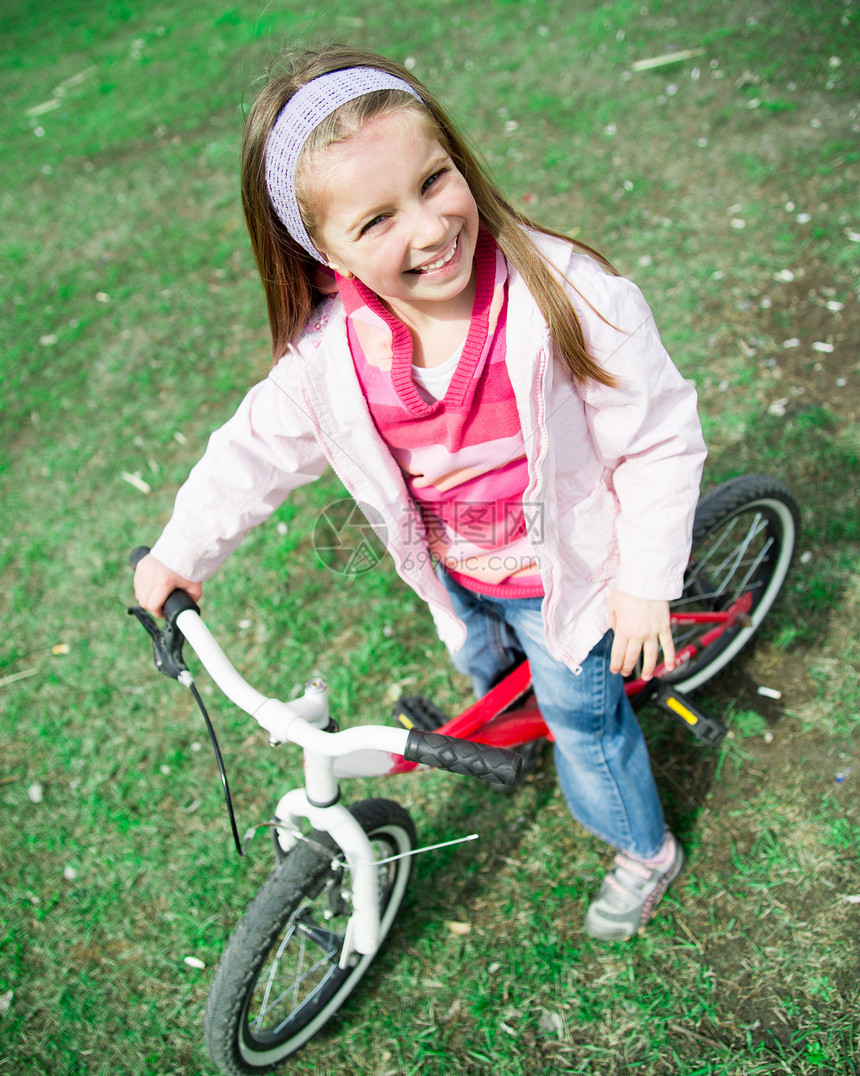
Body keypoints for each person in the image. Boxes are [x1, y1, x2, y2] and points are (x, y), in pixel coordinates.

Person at [133, 45, 707, 941]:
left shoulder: (562, 298)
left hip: (572, 579)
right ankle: (514, 715)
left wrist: (644, 583)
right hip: (458, 575)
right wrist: (180, 553)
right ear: (323, 254)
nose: (430, 229)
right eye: (377, 221)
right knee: (491, 674)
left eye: (435, 181)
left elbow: (659, 437)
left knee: (584, 727)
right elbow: (252, 452)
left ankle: (644, 848)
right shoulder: (331, 360)